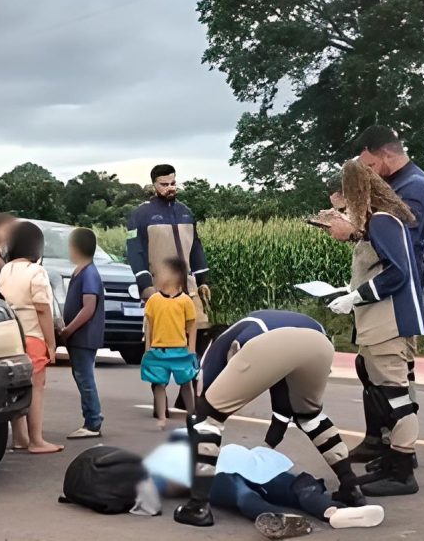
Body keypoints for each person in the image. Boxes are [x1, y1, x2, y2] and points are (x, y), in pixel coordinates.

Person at [174, 310, 365, 527]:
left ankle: (198, 507)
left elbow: (201, 409)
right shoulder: (254, 325)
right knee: (310, 417)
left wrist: (199, 429)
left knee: (205, 419)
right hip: (320, 343)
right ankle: (351, 487)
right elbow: (283, 405)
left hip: (268, 341)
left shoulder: (216, 349)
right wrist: (269, 443)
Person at [332, 126, 424, 463]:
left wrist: (353, 231)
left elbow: (399, 249)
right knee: (370, 367)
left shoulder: (414, 188)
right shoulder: (394, 187)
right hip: (381, 292)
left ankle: (400, 453)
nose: (369, 175)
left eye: (370, 166)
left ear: (387, 154)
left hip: (398, 296)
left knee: (394, 376)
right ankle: (379, 439)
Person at [326, 159, 424, 496]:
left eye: (343, 206)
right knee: (385, 390)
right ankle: (394, 458)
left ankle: (402, 469)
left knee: (395, 394)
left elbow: (398, 273)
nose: (343, 213)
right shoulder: (379, 222)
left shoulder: (382, 221)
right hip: (381, 318)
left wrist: (355, 297)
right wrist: (352, 291)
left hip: (388, 320)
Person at [143, 434, 385, 538]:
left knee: (243, 495)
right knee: (298, 486)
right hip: (254, 462)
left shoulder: (170, 461)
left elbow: (156, 486)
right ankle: (332, 511)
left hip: (219, 472)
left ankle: (280, 518)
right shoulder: (215, 445)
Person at [126, 164, 212, 414]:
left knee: (197, 338)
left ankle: (189, 399)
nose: (170, 188)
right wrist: (145, 286)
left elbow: (196, 248)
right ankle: (159, 403)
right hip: (159, 291)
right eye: (164, 184)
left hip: (189, 290)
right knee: (158, 347)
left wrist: (203, 280)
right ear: (154, 184)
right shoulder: (141, 215)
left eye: (173, 183)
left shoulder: (185, 212)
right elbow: (135, 252)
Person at [0, 221, 64, 454]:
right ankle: (37, 440)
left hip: (11, 337)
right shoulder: (36, 271)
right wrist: (51, 344)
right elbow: (43, 308)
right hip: (33, 336)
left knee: (17, 388)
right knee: (36, 388)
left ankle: (20, 438)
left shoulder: (5, 270)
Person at [141, 258, 198, 431]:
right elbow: (149, 326)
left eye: (161, 273)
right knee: (159, 384)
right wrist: (148, 349)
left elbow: (192, 326)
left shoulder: (186, 301)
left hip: (181, 350)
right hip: (158, 350)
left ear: (176, 277)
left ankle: (192, 414)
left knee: (186, 382)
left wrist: (191, 349)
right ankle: (161, 417)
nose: (157, 277)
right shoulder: (153, 300)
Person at [59, 228, 105, 439]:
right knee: (81, 376)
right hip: (77, 337)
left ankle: (93, 421)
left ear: (77, 248)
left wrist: (68, 329)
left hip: (83, 336)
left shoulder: (89, 274)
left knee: (85, 378)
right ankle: (91, 418)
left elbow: (88, 308)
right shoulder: (81, 271)